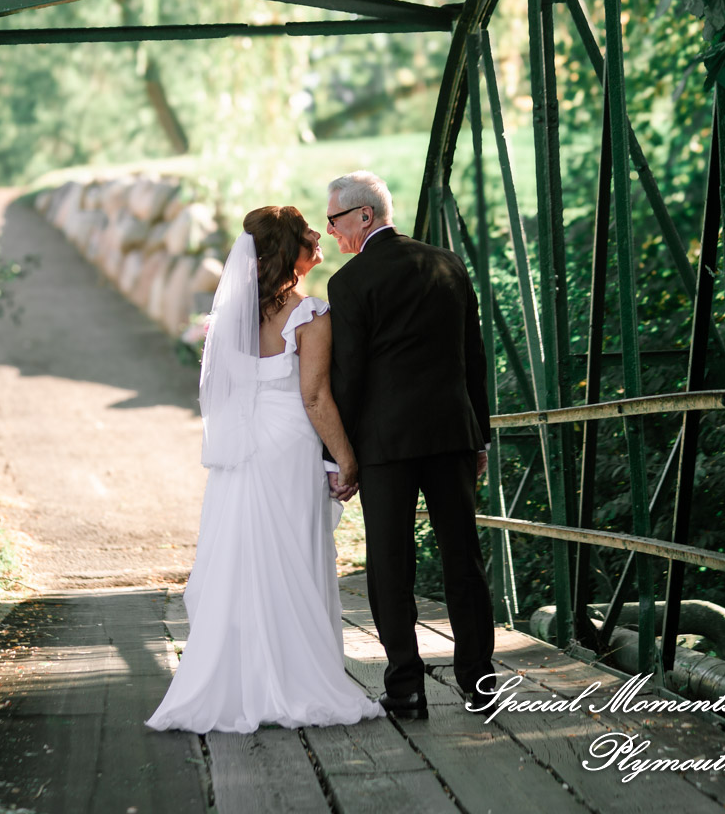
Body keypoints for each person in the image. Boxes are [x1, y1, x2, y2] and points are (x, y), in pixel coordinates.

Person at [146, 205, 384, 733]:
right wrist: (347, 459)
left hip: (244, 447)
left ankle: (242, 677)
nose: (318, 236)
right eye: (306, 233)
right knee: (295, 553)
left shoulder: (232, 315)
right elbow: (316, 397)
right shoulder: (311, 314)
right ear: (288, 252)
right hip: (291, 444)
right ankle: (299, 678)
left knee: (243, 554)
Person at [323, 171, 495, 718]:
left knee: (390, 561)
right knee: (462, 556)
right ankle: (479, 681)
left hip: (385, 443)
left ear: (364, 216)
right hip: (452, 436)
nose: (331, 233)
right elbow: (474, 358)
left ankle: (405, 687)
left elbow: (348, 377)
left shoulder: (349, 284)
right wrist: (480, 435)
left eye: (335, 221)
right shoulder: (449, 265)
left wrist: (339, 457)